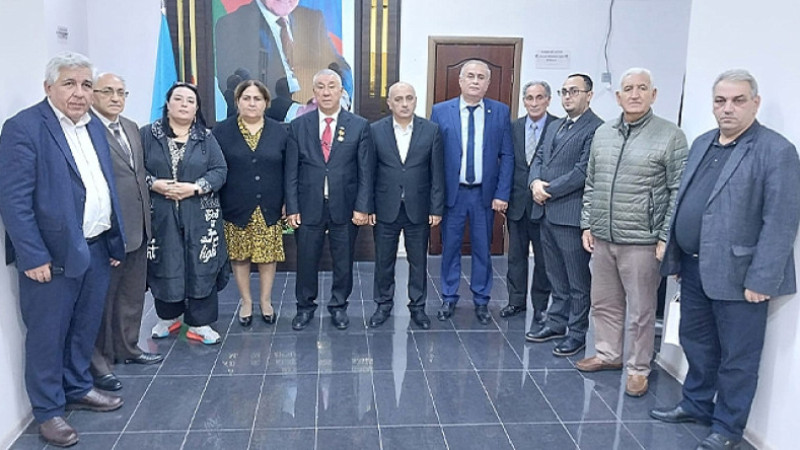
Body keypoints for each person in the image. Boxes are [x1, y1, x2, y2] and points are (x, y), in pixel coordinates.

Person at [650, 70, 800, 450]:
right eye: (720, 100)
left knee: (738, 356)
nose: (727, 108)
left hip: (741, 276)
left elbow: (781, 221)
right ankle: (696, 404)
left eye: (737, 100)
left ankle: (728, 428)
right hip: (694, 267)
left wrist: (762, 279)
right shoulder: (703, 142)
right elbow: (686, 201)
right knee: (696, 342)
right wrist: (678, 253)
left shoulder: (776, 150)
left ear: (755, 103)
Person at [0, 52, 125, 447]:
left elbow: (104, 187)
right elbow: (14, 201)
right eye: (69, 83)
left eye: (86, 85)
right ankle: (48, 411)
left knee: (83, 327)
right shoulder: (24, 128)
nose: (79, 93)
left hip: (96, 248)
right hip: (51, 257)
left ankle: (77, 386)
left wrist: (114, 239)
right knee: (47, 335)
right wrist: (32, 254)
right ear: (48, 87)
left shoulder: (93, 126)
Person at [576, 68, 688, 397]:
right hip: (603, 236)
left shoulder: (670, 135)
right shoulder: (603, 133)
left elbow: (678, 191)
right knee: (604, 302)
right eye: (628, 88)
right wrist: (587, 223)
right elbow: (591, 183)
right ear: (618, 96)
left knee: (641, 310)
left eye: (642, 88)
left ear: (654, 94)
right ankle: (608, 353)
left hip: (642, 241)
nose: (635, 94)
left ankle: (638, 367)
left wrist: (665, 237)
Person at [89, 73, 164, 393]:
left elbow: (138, 174)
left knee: (132, 295)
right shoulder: (87, 130)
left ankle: (128, 347)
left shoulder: (132, 127)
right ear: (93, 94)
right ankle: (101, 362)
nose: (115, 98)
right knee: (104, 300)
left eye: (121, 92)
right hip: (109, 230)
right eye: (107, 91)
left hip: (138, 226)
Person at [285, 69, 373, 331]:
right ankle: (304, 308)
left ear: (341, 91)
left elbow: (365, 172)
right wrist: (292, 207)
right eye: (320, 86)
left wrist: (362, 207)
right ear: (314, 92)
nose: (326, 92)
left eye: (332, 86)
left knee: (343, 260)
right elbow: (291, 171)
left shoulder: (359, 125)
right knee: (306, 259)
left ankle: (338, 307)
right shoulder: (299, 125)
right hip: (308, 205)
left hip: (345, 205)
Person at [143, 82, 228, 345]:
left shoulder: (205, 138)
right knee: (165, 262)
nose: (184, 104)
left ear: (196, 108)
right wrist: (154, 184)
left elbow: (220, 171)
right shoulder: (148, 135)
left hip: (199, 215)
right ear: (167, 104)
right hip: (161, 214)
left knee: (200, 265)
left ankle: (200, 323)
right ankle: (167, 317)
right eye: (178, 99)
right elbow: (135, 170)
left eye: (190, 101)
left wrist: (195, 188)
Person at [430, 60, 514, 325]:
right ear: (460, 80)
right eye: (470, 76)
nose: (475, 81)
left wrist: (502, 193)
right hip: (453, 194)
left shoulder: (500, 112)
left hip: (484, 195)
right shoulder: (440, 111)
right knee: (450, 247)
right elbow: (434, 157)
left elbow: (507, 155)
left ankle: (481, 300)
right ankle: (449, 296)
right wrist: (435, 196)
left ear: (488, 83)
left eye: (481, 77)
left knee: (482, 249)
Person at [526, 74, 603, 356]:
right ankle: (556, 322)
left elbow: (582, 171)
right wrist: (534, 183)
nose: (568, 96)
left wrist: (547, 190)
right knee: (554, 274)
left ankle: (577, 332)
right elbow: (538, 158)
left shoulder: (596, 129)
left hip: (570, 215)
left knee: (577, 280)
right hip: (546, 212)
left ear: (589, 95)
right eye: (564, 91)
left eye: (574, 91)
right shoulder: (555, 125)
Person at [367, 81, 444, 330]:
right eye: (398, 99)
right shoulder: (375, 130)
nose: (404, 104)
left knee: (418, 261)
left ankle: (418, 307)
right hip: (385, 206)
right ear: (389, 103)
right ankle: (383, 305)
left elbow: (437, 173)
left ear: (415, 101)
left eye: (409, 98)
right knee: (384, 261)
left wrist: (436, 208)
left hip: (418, 208)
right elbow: (368, 172)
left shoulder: (431, 131)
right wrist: (368, 207)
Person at [213, 80, 288, 327]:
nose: (252, 103)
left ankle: (266, 301)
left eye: (257, 98)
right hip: (235, 205)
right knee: (240, 256)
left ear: (266, 102)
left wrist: (288, 201)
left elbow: (289, 169)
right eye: (246, 98)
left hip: (269, 205)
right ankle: (246, 302)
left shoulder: (280, 131)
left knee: (267, 256)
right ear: (237, 102)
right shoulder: (222, 131)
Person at [215, 0, 352, 108]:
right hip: (268, 124)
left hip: (315, 121)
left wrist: (341, 96)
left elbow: (340, 67)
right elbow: (235, 89)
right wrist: (292, 111)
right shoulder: (231, 24)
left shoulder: (312, 19)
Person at [501, 81, 557, 322]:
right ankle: (516, 302)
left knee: (544, 259)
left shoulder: (558, 127)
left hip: (545, 204)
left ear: (548, 100)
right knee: (515, 257)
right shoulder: (513, 127)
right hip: (517, 204)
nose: (534, 103)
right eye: (530, 98)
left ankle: (541, 306)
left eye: (539, 97)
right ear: (524, 101)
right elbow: (507, 163)